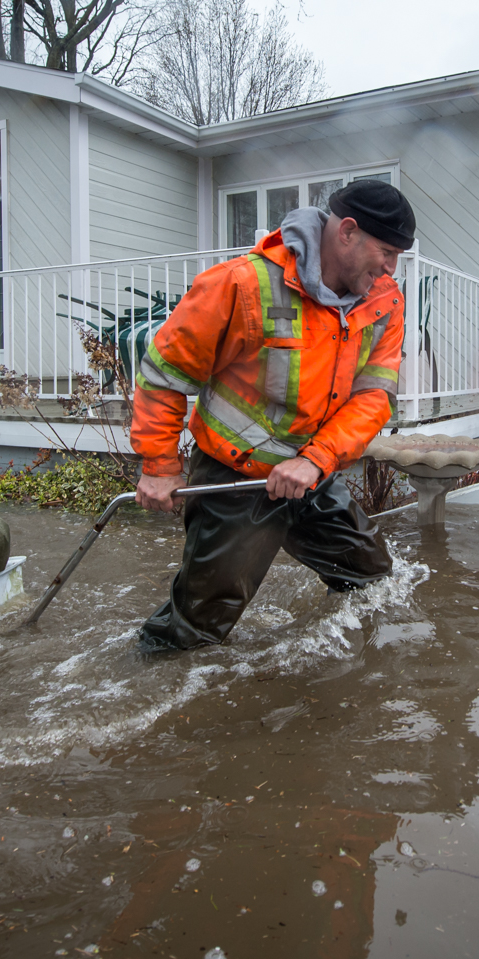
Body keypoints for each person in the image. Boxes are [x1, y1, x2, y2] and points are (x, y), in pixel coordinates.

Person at [130, 180, 412, 652]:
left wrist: (317, 460)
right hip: (234, 475)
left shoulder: (383, 304)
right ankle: (149, 692)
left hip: (310, 470)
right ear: (347, 231)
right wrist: (160, 465)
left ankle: (350, 669)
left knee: (372, 575)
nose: (391, 268)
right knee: (199, 625)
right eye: (386, 251)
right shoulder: (240, 283)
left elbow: (373, 399)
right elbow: (165, 375)